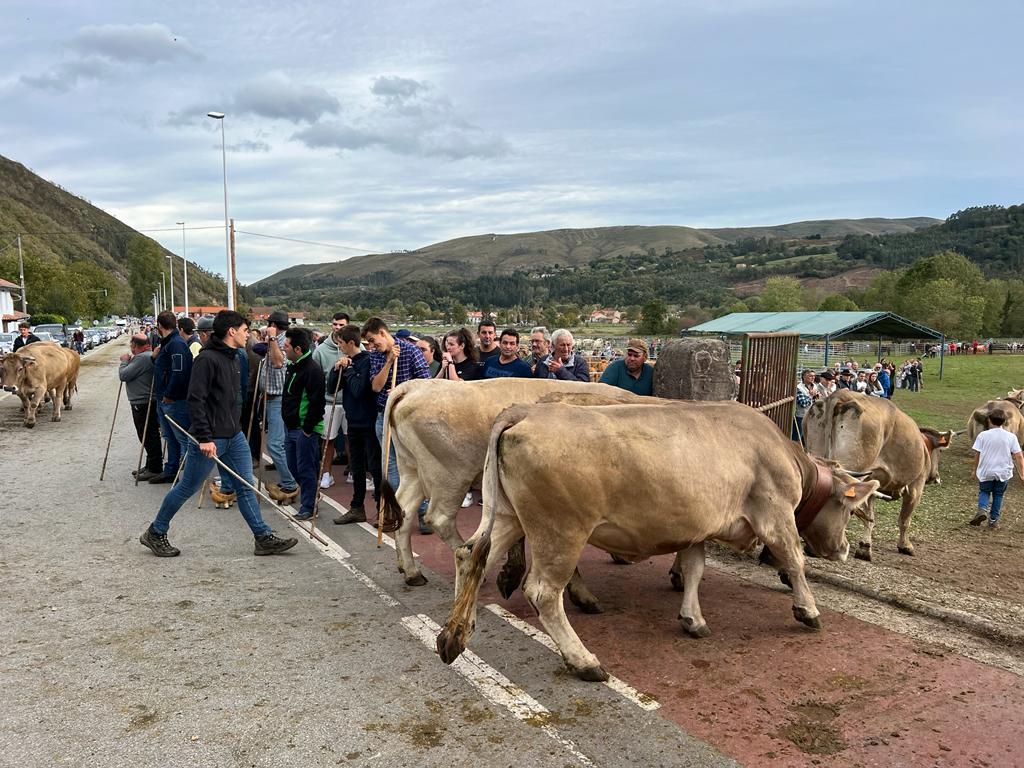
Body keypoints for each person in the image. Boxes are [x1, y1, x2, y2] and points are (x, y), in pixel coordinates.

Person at [139, 310, 298, 557]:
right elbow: (196, 400)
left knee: (246, 486)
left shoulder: (236, 357)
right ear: (231, 331)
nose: (248, 335)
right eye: (245, 331)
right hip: (211, 437)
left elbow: (234, 399)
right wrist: (204, 437)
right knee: (186, 487)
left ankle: (262, 536)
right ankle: (156, 532)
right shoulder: (207, 359)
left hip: (234, 436)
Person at [363, 317, 431, 526]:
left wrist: (403, 391)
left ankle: (423, 513)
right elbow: (376, 386)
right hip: (384, 416)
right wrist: (389, 362)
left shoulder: (411, 351)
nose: (372, 346)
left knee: (413, 465)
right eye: (369, 342)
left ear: (383, 333)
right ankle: (397, 511)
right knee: (390, 465)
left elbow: (426, 383)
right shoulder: (376, 356)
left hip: (408, 419)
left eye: (373, 340)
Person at [328, 324, 382, 525]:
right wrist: (337, 370)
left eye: (341, 343)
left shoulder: (367, 361)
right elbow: (332, 388)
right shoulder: (347, 362)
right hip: (354, 422)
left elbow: (360, 390)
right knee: (356, 467)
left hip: (369, 421)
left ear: (352, 343)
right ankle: (357, 507)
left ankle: (381, 508)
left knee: (375, 467)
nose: (339, 347)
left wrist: (349, 369)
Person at [281, 327, 325, 521]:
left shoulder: (312, 369)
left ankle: (308, 506)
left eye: (287, 346)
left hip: (304, 429)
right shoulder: (293, 365)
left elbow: (317, 403)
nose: (284, 349)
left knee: (306, 468)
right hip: (290, 426)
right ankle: (312, 494)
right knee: (293, 466)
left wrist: (307, 429)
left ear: (297, 349)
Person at [150, 310, 193, 484]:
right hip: (164, 398)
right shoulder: (167, 343)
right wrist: (154, 357)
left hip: (174, 400)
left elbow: (179, 372)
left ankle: (191, 476)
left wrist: (169, 394)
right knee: (170, 437)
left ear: (159, 326)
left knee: (183, 438)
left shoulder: (176, 344)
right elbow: (164, 367)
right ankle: (171, 470)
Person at [261, 310, 300, 504]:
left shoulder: (282, 341)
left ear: (274, 325)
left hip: (279, 399)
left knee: (275, 444)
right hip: (271, 398)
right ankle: (290, 481)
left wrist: (272, 338)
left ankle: (291, 483)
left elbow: (278, 363)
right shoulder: (273, 340)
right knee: (281, 444)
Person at [118, 334, 162, 481]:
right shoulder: (146, 356)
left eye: (132, 346)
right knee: (147, 434)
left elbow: (124, 375)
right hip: (144, 401)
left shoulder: (142, 358)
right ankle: (151, 464)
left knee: (147, 435)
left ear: (136, 346)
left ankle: (155, 467)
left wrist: (124, 362)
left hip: (142, 402)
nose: (131, 349)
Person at [969, 413, 1024, 529]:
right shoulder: (1011, 437)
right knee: (998, 495)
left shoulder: (983, 435)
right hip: (1004, 472)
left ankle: (982, 510)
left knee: (984, 492)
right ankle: (993, 520)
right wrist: (1022, 474)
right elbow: (1019, 456)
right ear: (1004, 422)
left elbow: (977, 454)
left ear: (989, 420)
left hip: (986, 470)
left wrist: (974, 470)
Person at [312, 320, 348, 489]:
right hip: (329, 401)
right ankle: (326, 474)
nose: (337, 327)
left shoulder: (357, 348)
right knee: (327, 440)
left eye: (341, 325)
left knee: (352, 440)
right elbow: (316, 376)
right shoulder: (320, 350)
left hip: (349, 402)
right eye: (335, 324)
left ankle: (354, 473)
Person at [792, 368, 819, 442]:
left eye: (814, 376)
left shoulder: (815, 386)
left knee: (808, 437)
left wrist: (816, 397)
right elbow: (803, 403)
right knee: (797, 437)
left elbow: (816, 400)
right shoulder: (799, 388)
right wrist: (811, 396)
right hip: (801, 416)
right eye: (810, 376)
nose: (813, 377)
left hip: (812, 415)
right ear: (804, 377)